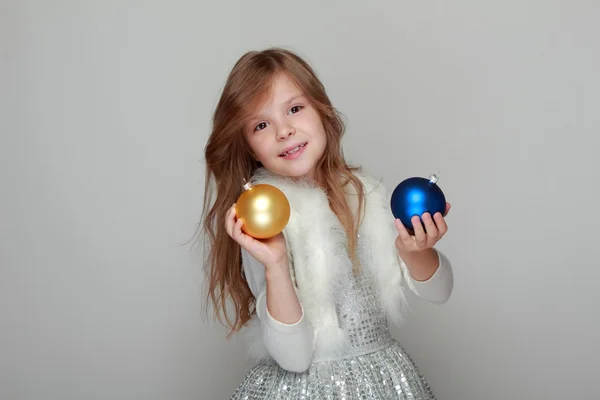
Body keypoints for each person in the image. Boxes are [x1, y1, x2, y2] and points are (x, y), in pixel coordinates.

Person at [199, 47, 454, 399]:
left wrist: (418, 251)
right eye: (261, 124)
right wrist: (274, 265)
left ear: (321, 110)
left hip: (383, 382)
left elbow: (439, 292)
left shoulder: (367, 195)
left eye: (294, 109)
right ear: (250, 149)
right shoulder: (262, 220)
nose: (284, 131)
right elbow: (294, 357)